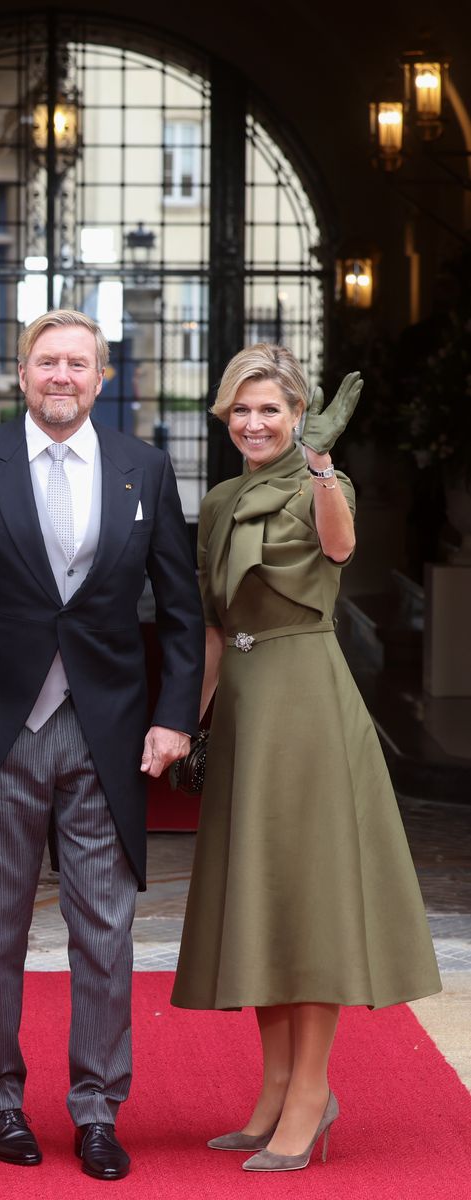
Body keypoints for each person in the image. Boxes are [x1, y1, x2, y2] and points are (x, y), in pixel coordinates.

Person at [0, 309, 204, 1181]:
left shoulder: (143, 467)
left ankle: (98, 1110)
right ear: (20, 374)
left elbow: (180, 608)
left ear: (101, 378)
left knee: (104, 931)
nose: (61, 376)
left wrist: (174, 716)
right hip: (1, 731)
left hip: (107, 730)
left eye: (78, 363)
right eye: (46, 362)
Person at [171, 344, 441, 1173]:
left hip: (308, 703)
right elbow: (214, 626)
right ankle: (275, 1089)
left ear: (297, 417)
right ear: (225, 418)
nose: (255, 424)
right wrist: (187, 723)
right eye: (241, 411)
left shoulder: (323, 486)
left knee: (309, 902)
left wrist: (322, 465)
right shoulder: (217, 501)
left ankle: (310, 1093)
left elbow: (337, 549)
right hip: (247, 706)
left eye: (271, 411)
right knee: (261, 900)